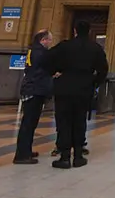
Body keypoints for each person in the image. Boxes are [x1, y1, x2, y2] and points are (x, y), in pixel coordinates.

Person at [43, 21, 109, 169]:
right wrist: (94, 83)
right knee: (80, 121)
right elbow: (103, 70)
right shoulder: (95, 48)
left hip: (64, 87)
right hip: (84, 88)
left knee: (63, 121)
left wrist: (55, 72)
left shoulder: (65, 46)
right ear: (89, 31)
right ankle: (78, 156)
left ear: (75, 31)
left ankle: (64, 156)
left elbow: (47, 60)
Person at [13, 30, 55, 164]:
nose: (50, 43)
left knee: (30, 123)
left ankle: (26, 150)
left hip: (31, 88)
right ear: (43, 40)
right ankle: (21, 155)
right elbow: (48, 68)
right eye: (49, 40)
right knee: (29, 123)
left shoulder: (33, 50)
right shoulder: (41, 53)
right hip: (35, 89)